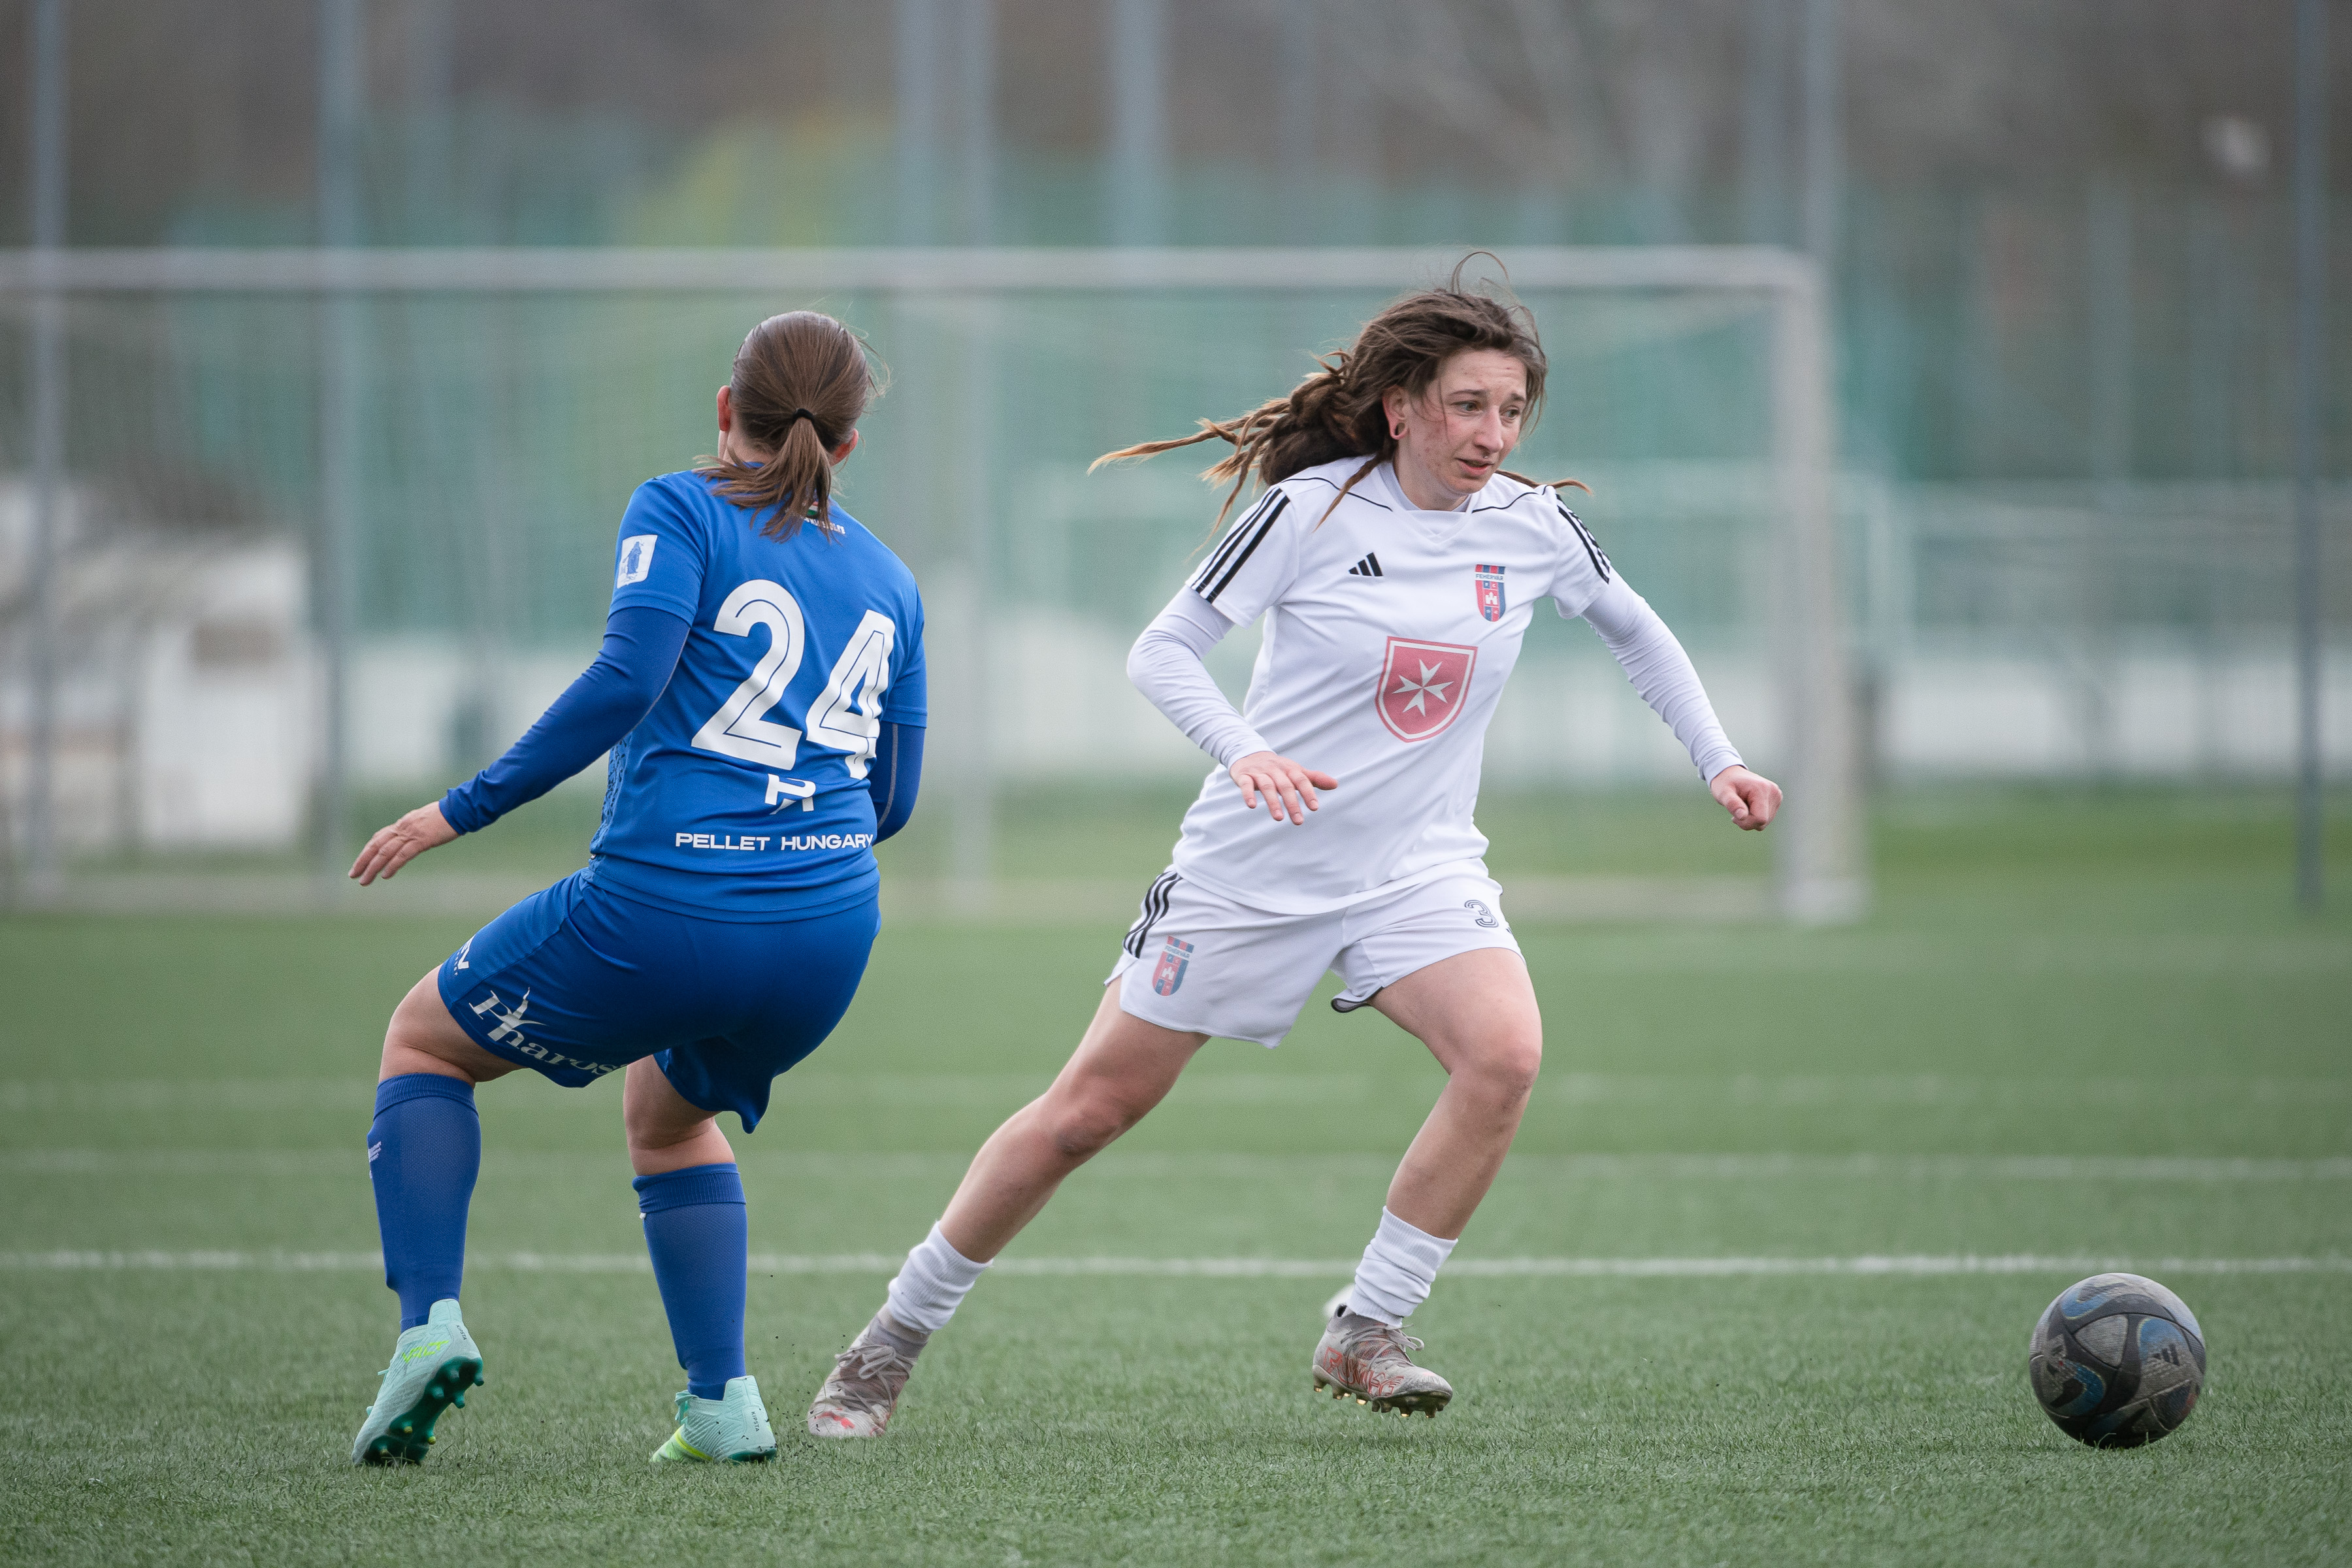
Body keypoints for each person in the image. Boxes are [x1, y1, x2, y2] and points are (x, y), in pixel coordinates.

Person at [804, 267, 1779, 1437]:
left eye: (1513, 410)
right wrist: (1245, 753)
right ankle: (888, 1343)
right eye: (1468, 406)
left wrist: (1718, 758)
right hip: (1253, 869)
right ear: (1401, 410)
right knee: (1087, 1114)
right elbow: (1162, 651)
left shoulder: (1531, 525)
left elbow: (1639, 633)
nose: (1494, 434)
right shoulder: (1310, 511)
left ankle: (1368, 1327)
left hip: (1416, 869)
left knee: (1505, 1056)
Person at [344, 310, 926, 1467]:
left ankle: (427, 1329)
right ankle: (722, 1406)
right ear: (850, 443)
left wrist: (462, 808)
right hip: (830, 931)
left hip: (671, 909)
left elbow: (627, 680)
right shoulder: (891, 577)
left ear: (726, 409)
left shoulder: (679, 507)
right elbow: (893, 800)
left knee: (423, 1044)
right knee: (668, 1118)